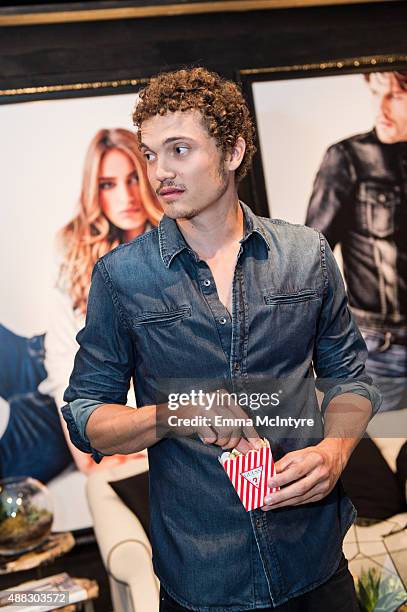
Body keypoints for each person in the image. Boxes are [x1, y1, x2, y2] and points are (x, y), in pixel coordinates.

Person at [62, 68, 380, 611]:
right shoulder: (122, 278)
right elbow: (87, 416)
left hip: (314, 561)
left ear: (231, 152)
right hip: (203, 577)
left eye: (179, 150)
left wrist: (335, 450)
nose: (159, 171)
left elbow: (351, 380)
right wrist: (176, 414)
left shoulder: (306, 255)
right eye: (151, 153)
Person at [0, 128, 162, 481]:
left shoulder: (176, 247)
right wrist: (82, 450)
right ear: (95, 190)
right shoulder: (76, 241)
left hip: (83, 400)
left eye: (134, 178)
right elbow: (59, 357)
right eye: (108, 184)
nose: (127, 196)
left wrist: (92, 441)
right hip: (44, 361)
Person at [306, 70, 407, 412]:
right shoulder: (348, 157)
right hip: (380, 348)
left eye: (394, 95)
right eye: (376, 93)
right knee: (374, 455)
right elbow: (312, 259)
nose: (381, 108)